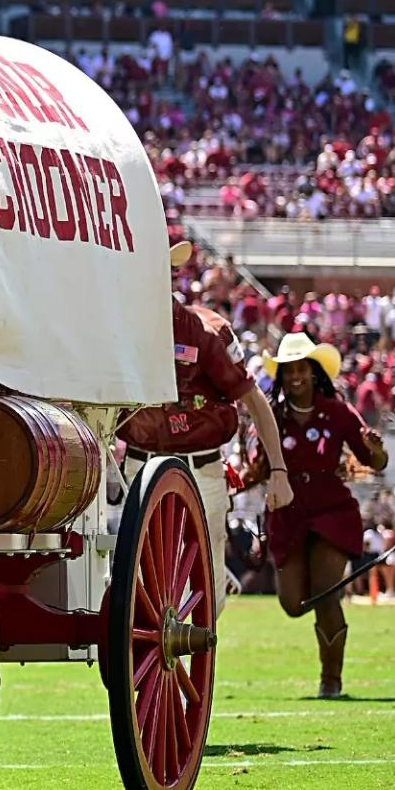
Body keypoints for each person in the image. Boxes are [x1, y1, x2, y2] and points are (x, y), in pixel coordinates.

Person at [119, 241, 292, 614]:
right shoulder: (115, 330)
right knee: (140, 582)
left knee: (207, 587)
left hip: (201, 469)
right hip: (138, 466)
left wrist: (278, 470)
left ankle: (206, 610)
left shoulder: (206, 331)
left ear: (170, 277)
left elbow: (253, 400)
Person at [258, 332, 389, 698]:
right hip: (287, 515)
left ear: (315, 372)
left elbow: (374, 460)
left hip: (332, 512)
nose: (295, 377)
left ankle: (331, 679)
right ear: (281, 376)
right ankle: (330, 671)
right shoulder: (272, 415)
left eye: (302, 369)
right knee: (292, 604)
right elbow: (259, 465)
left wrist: (377, 451)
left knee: (325, 593)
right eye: (289, 371)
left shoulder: (337, 411)